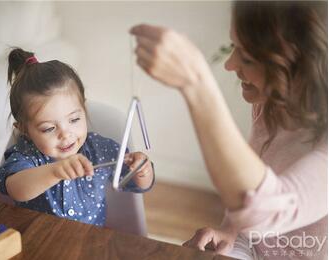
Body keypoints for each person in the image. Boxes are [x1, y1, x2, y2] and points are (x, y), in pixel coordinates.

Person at [130, 1, 327, 259]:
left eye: (246, 57)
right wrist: (230, 232)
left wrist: (196, 82)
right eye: (234, 47)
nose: (230, 64)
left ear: (300, 66)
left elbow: (266, 211)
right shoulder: (272, 104)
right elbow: (249, 203)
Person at [0, 48, 154, 227]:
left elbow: (137, 184)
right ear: (24, 130)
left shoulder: (101, 150)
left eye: (74, 119)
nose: (65, 134)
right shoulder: (25, 155)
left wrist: (142, 171)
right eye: (49, 128)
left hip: (88, 243)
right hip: (37, 241)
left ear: (84, 110)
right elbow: (17, 190)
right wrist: (55, 171)